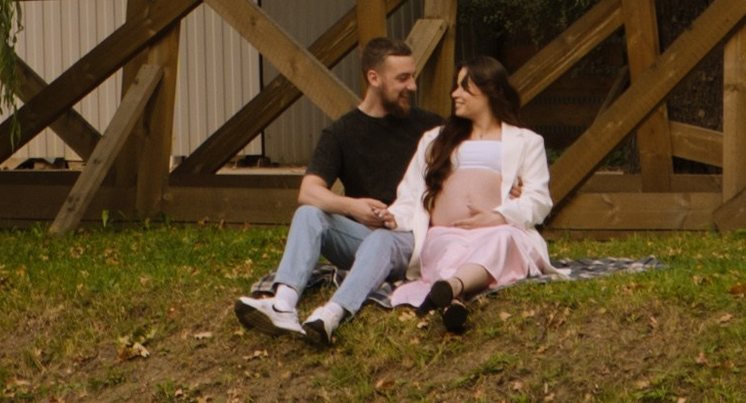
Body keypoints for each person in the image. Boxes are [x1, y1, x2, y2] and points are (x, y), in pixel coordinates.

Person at [233, 36, 426, 349]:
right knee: (309, 213)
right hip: (364, 238)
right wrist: (352, 207)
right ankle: (283, 305)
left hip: (411, 239)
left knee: (383, 240)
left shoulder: (429, 127)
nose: (412, 86)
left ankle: (333, 311)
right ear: (373, 78)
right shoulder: (341, 132)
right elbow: (308, 191)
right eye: (402, 78)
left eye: (412, 76)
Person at [385, 55, 553, 329]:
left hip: (497, 231)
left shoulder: (527, 142)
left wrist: (498, 216)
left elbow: (539, 200)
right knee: (448, 250)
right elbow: (411, 192)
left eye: (464, 87)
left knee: (505, 240)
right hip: (446, 232)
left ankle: (451, 289)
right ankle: (453, 295)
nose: (455, 94)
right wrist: (393, 217)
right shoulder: (436, 139)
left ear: (489, 91)